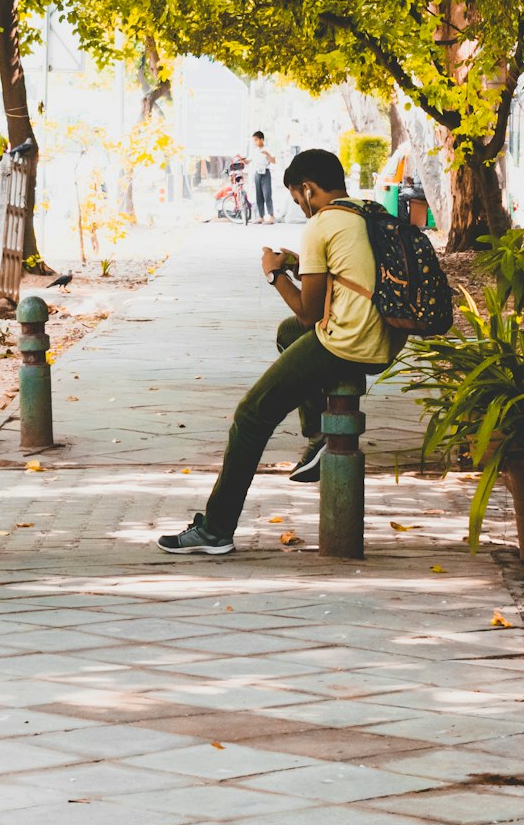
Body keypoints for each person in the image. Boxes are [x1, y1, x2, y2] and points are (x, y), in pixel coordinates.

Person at [158, 149, 391, 555]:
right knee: (285, 334)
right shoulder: (366, 211)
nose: (300, 207)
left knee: (251, 415)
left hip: (346, 341)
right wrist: (299, 263)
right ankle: (319, 434)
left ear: (308, 188)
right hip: (383, 339)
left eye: (299, 198)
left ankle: (215, 529)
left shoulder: (322, 224)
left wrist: (273, 272)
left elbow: (307, 313)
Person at [248, 131, 275, 224]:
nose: (255, 142)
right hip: (257, 174)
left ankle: (271, 216)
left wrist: (267, 154)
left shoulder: (268, 149)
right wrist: (243, 160)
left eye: (256, 140)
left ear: (261, 139)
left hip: (265, 173)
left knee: (267, 195)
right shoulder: (255, 151)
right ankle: (261, 216)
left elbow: (273, 161)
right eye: (254, 140)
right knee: (258, 196)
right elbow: (248, 161)